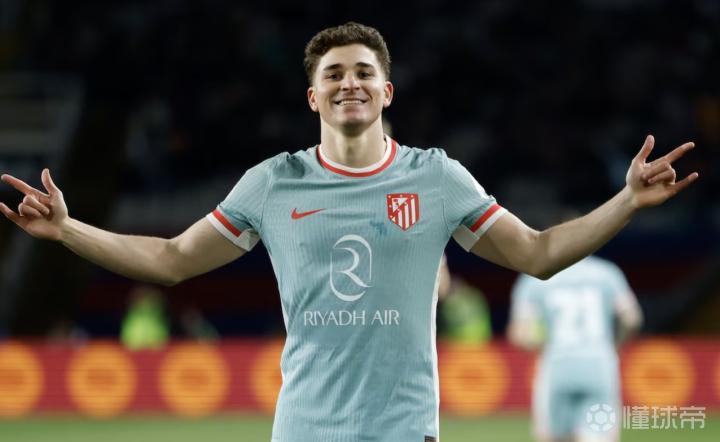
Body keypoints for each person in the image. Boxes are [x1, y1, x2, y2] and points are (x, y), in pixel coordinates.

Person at [0, 22, 697, 442]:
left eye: (365, 71)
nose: (350, 83)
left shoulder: (437, 177)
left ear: (387, 91)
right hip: (303, 429)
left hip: (405, 430)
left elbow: (539, 254)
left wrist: (627, 200)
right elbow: (172, 259)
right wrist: (68, 230)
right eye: (333, 74)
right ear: (313, 96)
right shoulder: (272, 183)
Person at [507, 255, 643, 442]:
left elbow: (520, 334)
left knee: (555, 437)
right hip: (599, 364)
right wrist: (614, 345)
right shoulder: (607, 272)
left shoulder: (534, 277)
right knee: (600, 434)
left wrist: (543, 345)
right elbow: (632, 319)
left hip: (557, 365)